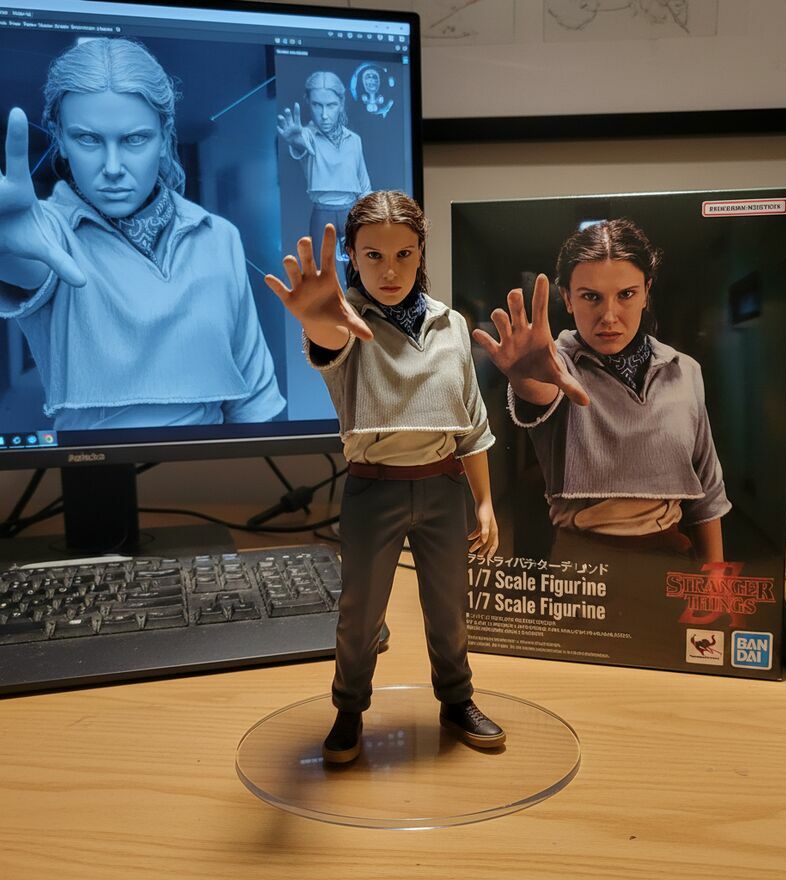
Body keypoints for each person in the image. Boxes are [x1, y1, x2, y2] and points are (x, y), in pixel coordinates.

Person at [265, 190, 504, 764]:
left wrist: (485, 501)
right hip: (375, 487)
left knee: (449, 607)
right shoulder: (346, 319)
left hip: (444, 485)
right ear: (351, 255)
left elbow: (471, 421)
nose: (390, 270)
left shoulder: (450, 324)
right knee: (362, 613)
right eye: (373, 255)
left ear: (421, 252)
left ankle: (457, 698)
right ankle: (349, 708)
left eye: (403, 254)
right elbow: (330, 343)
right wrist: (319, 320)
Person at [0, 38, 285, 430]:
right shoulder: (48, 232)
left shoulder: (220, 237)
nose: (112, 167)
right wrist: (5, 250)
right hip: (95, 465)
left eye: (134, 139)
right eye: (88, 139)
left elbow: (255, 404)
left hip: (214, 462)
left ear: (164, 136)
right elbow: (27, 263)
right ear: (60, 139)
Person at [473, 218, 730, 566]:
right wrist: (525, 379)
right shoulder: (557, 364)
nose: (609, 316)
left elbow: (707, 492)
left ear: (646, 291)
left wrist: (715, 579)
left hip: (668, 559)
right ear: (567, 298)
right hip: (581, 566)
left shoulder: (685, 371)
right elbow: (542, 391)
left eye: (626, 294)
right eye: (591, 297)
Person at [277, 71, 371, 259]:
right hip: (322, 213)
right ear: (308, 102)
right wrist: (295, 141)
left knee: (357, 267)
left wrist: (372, 218)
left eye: (331, 105)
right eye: (317, 105)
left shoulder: (354, 140)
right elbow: (301, 145)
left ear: (341, 104)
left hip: (351, 211)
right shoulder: (307, 135)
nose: (324, 115)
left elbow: (364, 184)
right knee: (321, 268)